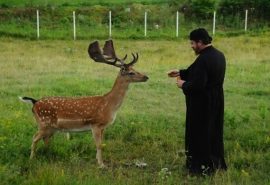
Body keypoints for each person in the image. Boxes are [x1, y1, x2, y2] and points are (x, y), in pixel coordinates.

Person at [168, 28, 227, 175]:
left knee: (199, 134)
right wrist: (181, 72)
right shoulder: (218, 55)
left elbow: (198, 85)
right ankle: (216, 163)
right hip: (216, 101)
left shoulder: (203, 59)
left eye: (193, 43)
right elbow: (201, 74)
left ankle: (200, 167)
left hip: (202, 105)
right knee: (214, 132)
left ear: (200, 42)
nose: (192, 46)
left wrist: (183, 84)